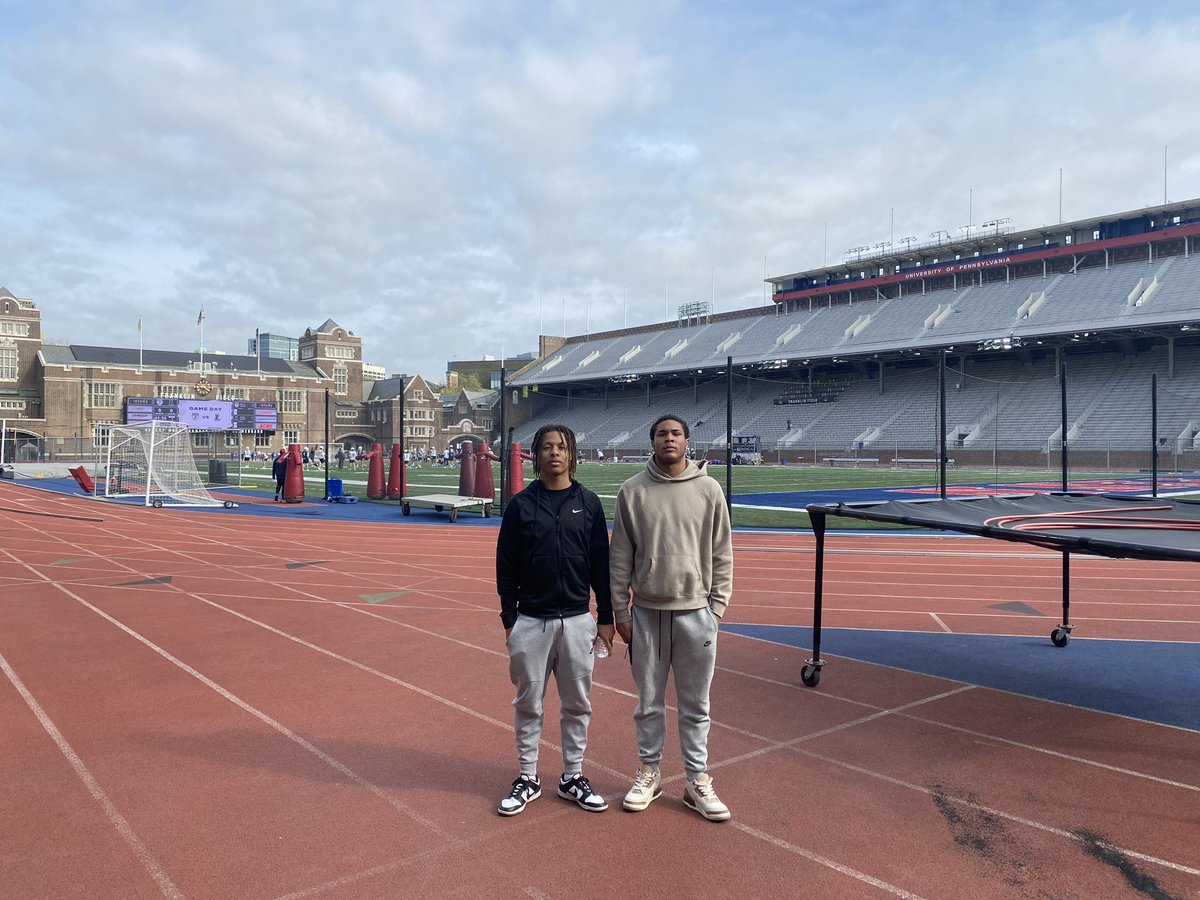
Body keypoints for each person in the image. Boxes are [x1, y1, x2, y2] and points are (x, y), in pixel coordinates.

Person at [610, 414, 734, 822]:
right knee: (648, 703)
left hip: (696, 613)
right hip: (646, 614)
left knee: (696, 704)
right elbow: (620, 558)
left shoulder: (709, 490)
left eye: (676, 433)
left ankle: (697, 780)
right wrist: (620, 611)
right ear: (652, 442)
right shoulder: (632, 491)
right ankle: (649, 772)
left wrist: (715, 608)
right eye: (662, 433)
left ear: (686, 441)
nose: (669, 439)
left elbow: (722, 552)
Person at [495, 423, 614, 817]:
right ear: (536, 455)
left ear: (572, 454)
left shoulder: (590, 503)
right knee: (529, 703)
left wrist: (607, 618)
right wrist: (510, 619)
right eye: (546, 447)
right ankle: (528, 777)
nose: (554, 453)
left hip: (578, 619)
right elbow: (506, 565)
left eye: (562, 447)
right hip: (531, 620)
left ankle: (572, 777)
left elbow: (601, 565)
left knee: (578, 704)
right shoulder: (520, 505)